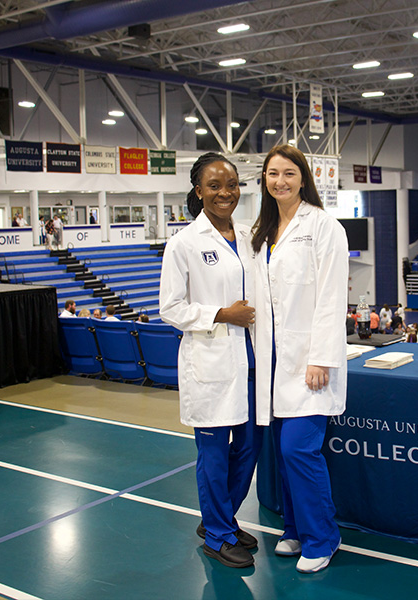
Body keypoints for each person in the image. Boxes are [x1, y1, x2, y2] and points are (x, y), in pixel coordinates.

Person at [159, 152, 262, 569]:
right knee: (215, 454)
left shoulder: (251, 237)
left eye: (232, 185)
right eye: (215, 186)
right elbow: (170, 308)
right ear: (198, 191)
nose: (225, 193)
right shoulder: (184, 243)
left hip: (252, 359)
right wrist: (221, 313)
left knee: (252, 446)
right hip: (211, 360)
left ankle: (220, 517)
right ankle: (217, 534)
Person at [251, 144, 348, 574]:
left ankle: (322, 538)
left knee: (298, 449)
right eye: (273, 174)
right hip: (271, 358)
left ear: (303, 177)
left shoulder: (324, 226)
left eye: (289, 173)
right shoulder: (262, 230)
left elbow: (330, 297)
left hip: (310, 360)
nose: (280, 182)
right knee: (281, 449)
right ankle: (293, 528)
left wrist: (321, 357)